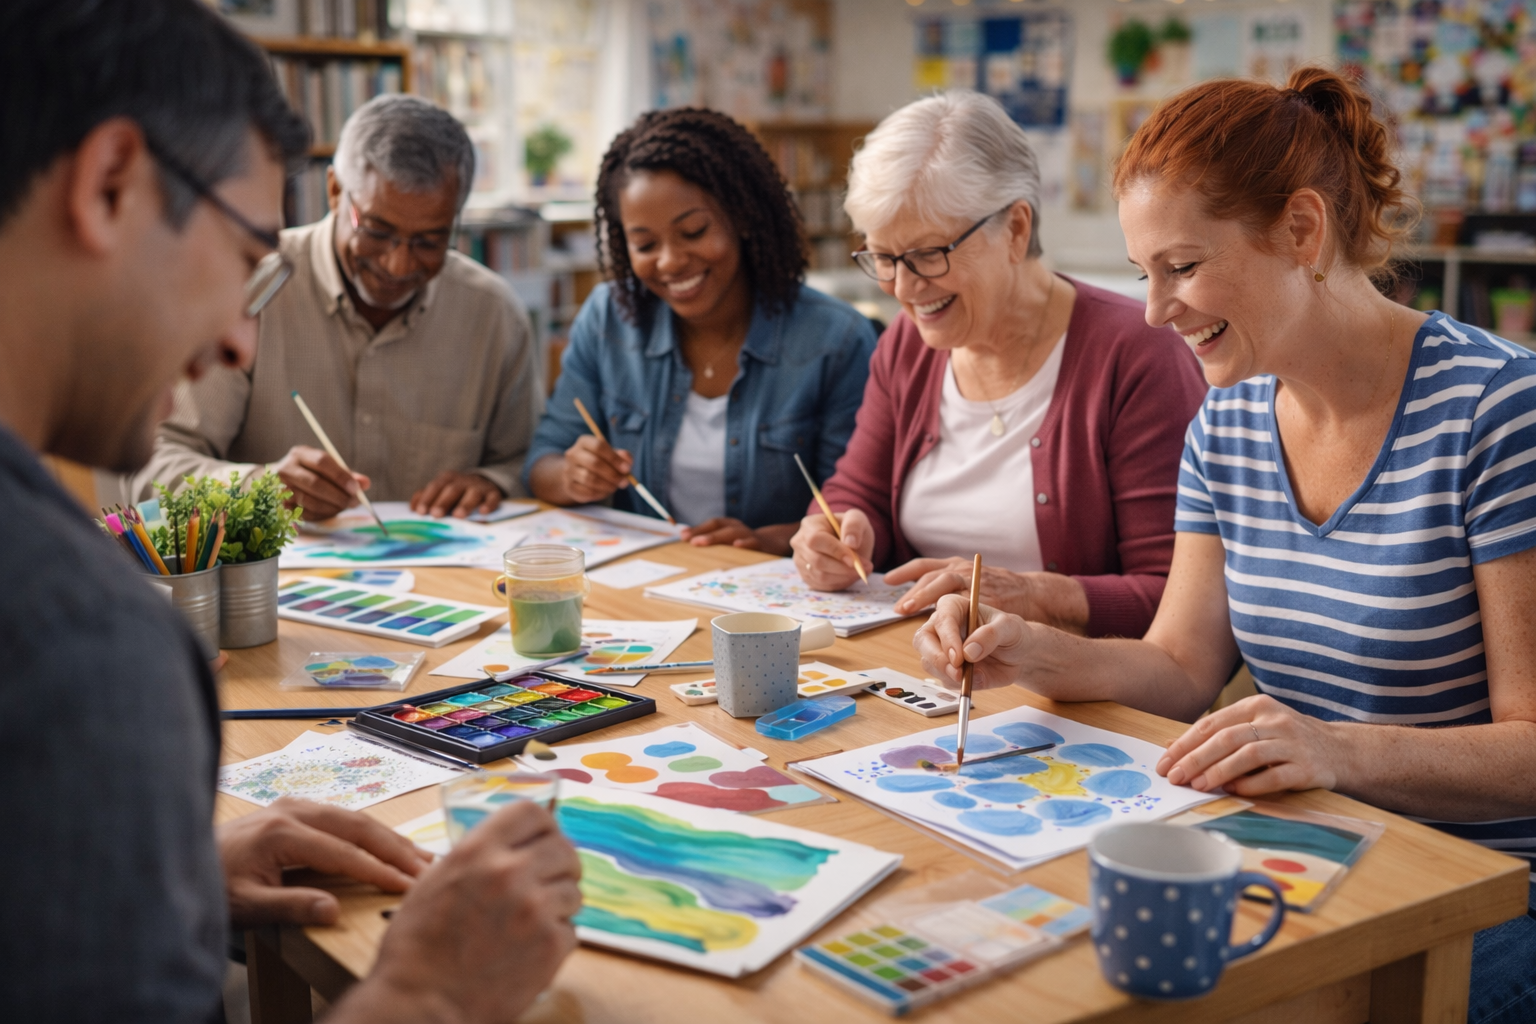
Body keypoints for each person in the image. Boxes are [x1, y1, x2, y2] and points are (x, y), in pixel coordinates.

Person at [915, 68, 1536, 1024]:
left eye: (1184, 266)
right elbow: (1180, 666)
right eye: (1142, 274)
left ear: (1301, 231)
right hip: (1310, 849)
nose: (1157, 310)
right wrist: (1030, 651)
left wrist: (1337, 751)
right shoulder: (1230, 421)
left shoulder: (1499, 409)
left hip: (1482, 891)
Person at [0, 2, 579, 1020]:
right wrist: (428, 990)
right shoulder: (79, 648)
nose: (239, 334)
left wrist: (164, 864)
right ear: (110, 184)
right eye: (240, 253)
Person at [788, 91, 1206, 639]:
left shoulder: (1136, 353)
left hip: (1078, 697)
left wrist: (1031, 594)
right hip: (930, 669)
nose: (905, 289)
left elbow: (1178, 602)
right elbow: (857, 492)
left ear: (1014, 229)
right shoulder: (907, 346)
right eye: (884, 258)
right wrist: (837, 529)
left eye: (929, 254)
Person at [129, 93, 545, 520]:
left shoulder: (494, 316)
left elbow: (530, 465)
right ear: (333, 192)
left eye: (429, 241)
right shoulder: (251, 289)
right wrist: (260, 487)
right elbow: (152, 472)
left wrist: (493, 483)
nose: (397, 264)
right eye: (377, 231)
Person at [524, 108, 878, 552]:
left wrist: (765, 540)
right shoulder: (608, 318)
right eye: (645, 245)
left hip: (770, 598)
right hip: (646, 591)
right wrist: (573, 477)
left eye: (693, 231)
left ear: (742, 215)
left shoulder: (835, 339)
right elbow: (541, 464)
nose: (670, 261)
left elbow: (857, 508)